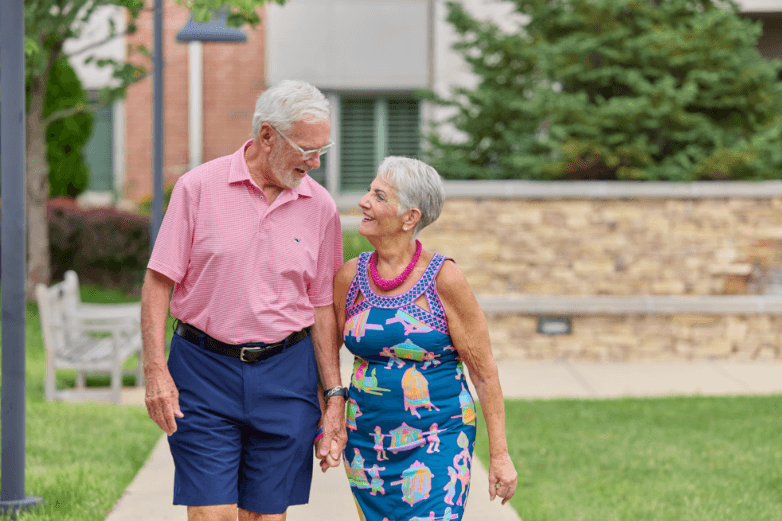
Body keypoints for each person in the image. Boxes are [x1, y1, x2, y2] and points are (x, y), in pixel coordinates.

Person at [141, 80, 347, 521]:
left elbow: (321, 306)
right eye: (306, 149)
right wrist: (155, 369)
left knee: (264, 517)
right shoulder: (198, 188)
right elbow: (158, 282)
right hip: (203, 371)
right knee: (212, 514)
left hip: (287, 375)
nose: (314, 162)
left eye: (322, 150)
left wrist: (333, 396)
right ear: (267, 135)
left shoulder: (321, 207)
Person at [333, 156, 518, 520]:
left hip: (438, 438)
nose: (364, 202)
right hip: (367, 442)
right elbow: (322, 351)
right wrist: (330, 410)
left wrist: (499, 455)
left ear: (410, 217)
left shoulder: (443, 279)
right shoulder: (350, 276)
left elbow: (483, 371)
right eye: (370, 191)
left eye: (379, 195)